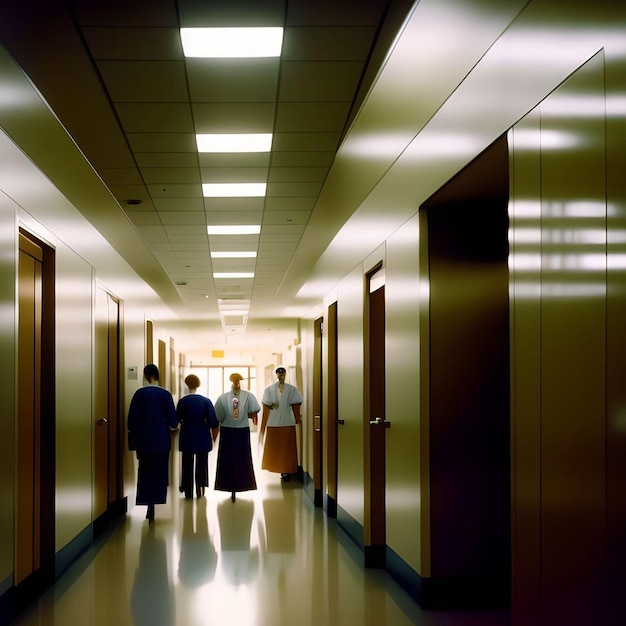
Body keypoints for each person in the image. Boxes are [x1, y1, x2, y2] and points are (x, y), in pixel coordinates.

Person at [127, 364, 178, 521]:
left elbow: (131, 419)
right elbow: (173, 420)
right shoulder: (165, 394)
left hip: (143, 440)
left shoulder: (139, 394)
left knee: (145, 471)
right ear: (157, 376)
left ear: (146, 376)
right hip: (161, 440)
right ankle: (154, 504)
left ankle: (147, 503)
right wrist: (173, 426)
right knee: (159, 472)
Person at [213, 372, 260, 502]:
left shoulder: (223, 398)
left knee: (230, 459)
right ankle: (239, 485)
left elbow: (219, 416)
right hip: (239, 431)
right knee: (240, 459)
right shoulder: (248, 396)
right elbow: (254, 410)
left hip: (230, 431)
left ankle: (230, 486)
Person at [177, 374, 219, 499]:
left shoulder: (182, 401)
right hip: (202, 435)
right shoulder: (205, 401)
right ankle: (200, 488)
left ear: (186, 385)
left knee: (187, 463)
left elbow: (176, 419)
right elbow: (213, 421)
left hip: (187, 435)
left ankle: (187, 490)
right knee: (202, 463)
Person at [260, 366, 303, 482]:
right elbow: (265, 405)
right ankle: (278, 468)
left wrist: (297, 418)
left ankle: (286, 471)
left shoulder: (292, 389)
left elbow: (297, 403)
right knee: (276, 450)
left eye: (282, 373)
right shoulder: (269, 390)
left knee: (287, 450)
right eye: (279, 373)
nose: (280, 375)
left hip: (287, 422)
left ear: (285, 374)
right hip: (273, 423)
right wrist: (271, 405)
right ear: (276, 375)